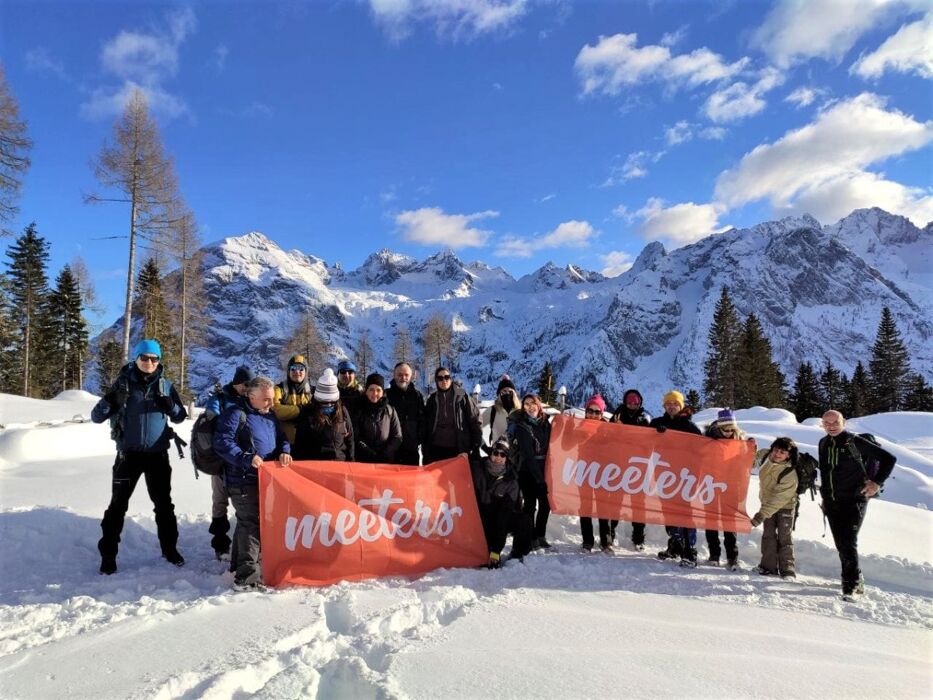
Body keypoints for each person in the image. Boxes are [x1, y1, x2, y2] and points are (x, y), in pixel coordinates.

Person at [91, 339, 188, 575]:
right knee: (117, 507)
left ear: (159, 361)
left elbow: (180, 417)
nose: (149, 362)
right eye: (144, 358)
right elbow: (96, 416)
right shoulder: (123, 384)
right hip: (128, 456)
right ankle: (108, 557)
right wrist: (110, 401)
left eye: (154, 359)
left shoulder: (165, 385)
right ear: (136, 359)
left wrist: (170, 406)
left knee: (164, 506)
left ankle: (170, 550)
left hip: (157, 456)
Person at [213, 376, 292, 590]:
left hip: (262, 480)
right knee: (252, 523)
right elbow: (222, 442)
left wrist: (284, 451)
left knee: (246, 521)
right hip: (241, 479)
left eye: (272, 399)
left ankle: (238, 565)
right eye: (266, 399)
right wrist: (245, 458)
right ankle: (247, 578)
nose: (271, 403)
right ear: (252, 396)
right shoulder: (235, 414)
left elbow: (282, 438)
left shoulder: (270, 416)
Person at [818, 409, 895, 598]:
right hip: (831, 502)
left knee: (848, 543)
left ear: (844, 422)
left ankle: (850, 586)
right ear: (822, 424)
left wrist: (876, 482)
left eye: (835, 422)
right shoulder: (823, 442)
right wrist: (825, 497)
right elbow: (827, 472)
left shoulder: (855, 442)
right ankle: (855, 575)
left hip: (855, 500)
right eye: (827, 423)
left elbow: (889, 459)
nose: (831, 426)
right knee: (841, 544)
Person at [203, 364, 255, 560]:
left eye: (250, 384)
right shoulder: (220, 398)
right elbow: (212, 418)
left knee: (242, 501)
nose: (247, 387)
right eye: (244, 384)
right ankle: (220, 542)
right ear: (236, 383)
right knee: (220, 500)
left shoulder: (249, 400)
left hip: (241, 459)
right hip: (221, 459)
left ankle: (241, 542)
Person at [650, 390, 702, 567]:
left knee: (685, 512)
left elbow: (705, 448)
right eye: (668, 403)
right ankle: (676, 544)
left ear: (681, 406)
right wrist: (655, 434)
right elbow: (640, 440)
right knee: (669, 510)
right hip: (664, 475)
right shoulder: (657, 423)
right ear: (664, 405)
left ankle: (690, 550)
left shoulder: (690, 427)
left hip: (685, 476)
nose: (671, 406)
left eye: (675, 403)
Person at [470, 436, 532, 568]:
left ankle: (517, 555)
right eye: (496, 453)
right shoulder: (477, 468)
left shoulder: (511, 481)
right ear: (491, 453)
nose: (498, 457)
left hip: (499, 519)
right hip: (478, 518)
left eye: (502, 455)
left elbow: (504, 516)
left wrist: (496, 551)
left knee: (524, 520)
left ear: (506, 458)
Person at [750, 437, 801, 579]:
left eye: (782, 452)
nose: (777, 454)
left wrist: (761, 515)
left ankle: (788, 571)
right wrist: (748, 448)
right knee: (768, 535)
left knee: (784, 537)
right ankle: (768, 567)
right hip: (766, 503)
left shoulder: (790, 472)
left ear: (789, 455)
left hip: (785, 506)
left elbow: (779, 499)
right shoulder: (766, 455)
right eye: (776, 450)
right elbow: (750, 462)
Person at [508, 393, 552, 550]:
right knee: (530, 505)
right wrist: (540, 480)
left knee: (546, 505)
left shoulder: (546, 422)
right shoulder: (522, 426)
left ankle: (540, 535)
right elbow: (528, 454)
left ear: (538, 404)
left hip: (545, 469)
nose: (530, 407)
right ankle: (531, 536)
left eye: (532, 403)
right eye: (526, 404)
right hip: (527, 471)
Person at [703, 408, 746, 569]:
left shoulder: (740, 441)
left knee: (730, 522)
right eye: (725, 429)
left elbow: (746, 464)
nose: (728, 432)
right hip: (711, 484)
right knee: (711, 520)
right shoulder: (709, 439)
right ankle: (714, 554)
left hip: (731, 486)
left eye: (731, 430)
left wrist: (751, 450)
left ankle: (732, 557)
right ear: (718, 428)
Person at [610, 388, 652, 550]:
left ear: (640, 402)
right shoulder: (617, 414)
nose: (632, 405)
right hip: (619, 465)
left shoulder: (645, 416)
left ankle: (638, 538)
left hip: (638, 466)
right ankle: (610, 534)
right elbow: (605, 433)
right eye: (629, 401)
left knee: (638, 504)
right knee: (615, 501)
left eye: (635, 402)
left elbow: (652, 436)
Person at [579, 394, 618, 552]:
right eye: (590, 411)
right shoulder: (578, 426)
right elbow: (566, 446)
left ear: (602, 414)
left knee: (604, 507)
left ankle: (606, 541)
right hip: (584, 472)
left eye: (597, 412)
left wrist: (621, 430)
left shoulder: (609, 429)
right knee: (585, 507)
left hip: (603, 473)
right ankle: (587, 541)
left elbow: (618, 447)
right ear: (586, 411)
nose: (593, 414)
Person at [292, 368, 355, 461]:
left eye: (332, 401)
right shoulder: (307, 412)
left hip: (340, 464)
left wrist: (352, 463)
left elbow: (350, 439)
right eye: (324, 402)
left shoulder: (342, 411)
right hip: (316, 465)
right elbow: (300, 444)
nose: (328, 404)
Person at [422, 367, 482, 464]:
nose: (444, 380)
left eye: (447, 377)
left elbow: (475, 420)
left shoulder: (462, 396)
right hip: (435, 450)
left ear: (451, 379)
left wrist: (476, 445)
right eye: (440, 378)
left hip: (458, 448)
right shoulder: (432, 399)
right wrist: (425, 448)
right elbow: (425, 425)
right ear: (436, 381)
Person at [353, 373, 403, 463]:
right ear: (366, 391)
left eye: (378, 390)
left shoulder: (390, 411)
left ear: (383, 392)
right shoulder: (358, 409)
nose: (375, 393)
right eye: (371, 389)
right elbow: (355, 436)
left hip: (386, 461)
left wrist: (386, 452)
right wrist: (369, 453)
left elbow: (397, 436)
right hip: (363, 461)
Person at [386, 361, 425, 466]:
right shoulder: (386, 396)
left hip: (411, 449)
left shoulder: (417, 396)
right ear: (394, 375)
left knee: (411, 481)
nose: (403, 377)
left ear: (411, 376)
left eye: (406, 375)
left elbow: (422, 419)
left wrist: (418, 439)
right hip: (390, 450)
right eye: (400, 375)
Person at [273, 354, 313, 444]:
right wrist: (300, 409)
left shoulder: (313, 391)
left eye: (301, 369)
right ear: (288, 371)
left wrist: (288, 413)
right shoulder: (278, 389)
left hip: (308, 442)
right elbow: (275, 410)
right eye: (293, 368)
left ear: (306, 372)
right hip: (285, 442)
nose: (297, 371)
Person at [484, 376, 520, 446]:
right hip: (498, 454)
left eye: (510, 391)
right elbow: (475, 427)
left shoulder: (520, 411)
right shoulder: (492, 411)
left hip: (516, 454)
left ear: (514, 394)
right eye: (504, 391)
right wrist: (484, 447)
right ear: (499, 394)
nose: (507, 394)